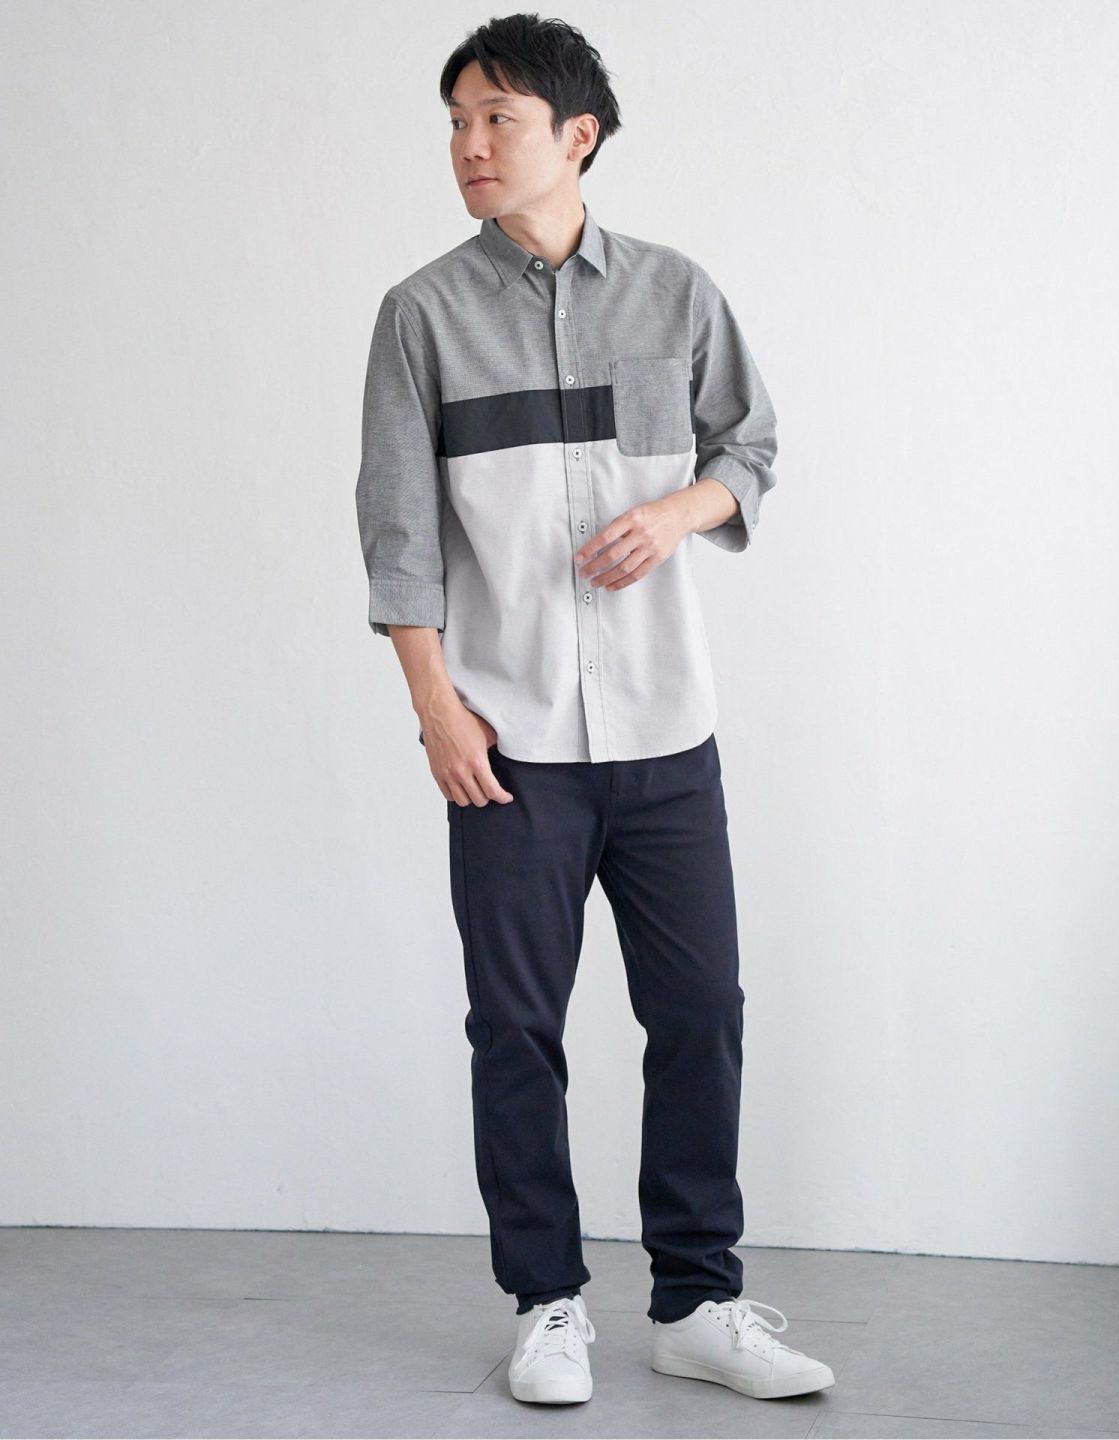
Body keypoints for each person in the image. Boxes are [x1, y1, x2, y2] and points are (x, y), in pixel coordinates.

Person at [354, 11, 835, 1407]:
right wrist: (436, 707)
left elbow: (750, 444)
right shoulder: (421, 317)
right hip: (509, 744)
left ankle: (698, 1303)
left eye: (495, 118)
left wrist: (682, 510)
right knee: (516, 1027)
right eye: (456, 121)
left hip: (667, 733)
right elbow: (399, 533)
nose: (468, 145)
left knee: (700, 1012)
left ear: (579, 135)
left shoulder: (677, 296)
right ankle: (547, 1302)